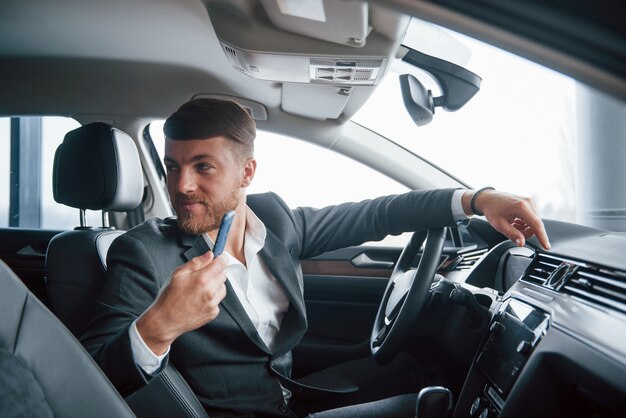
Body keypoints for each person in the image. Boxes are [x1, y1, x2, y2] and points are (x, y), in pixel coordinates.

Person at [80, 99, 551, 417]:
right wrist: (160, 325)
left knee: (416, 368)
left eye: (203, 166)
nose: (182, 186)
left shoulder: (276, 220)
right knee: (436, 407)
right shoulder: (143, 252)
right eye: (172, 166)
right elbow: (90, 377)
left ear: (246, 172)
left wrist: (478, 200)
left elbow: (375, 214)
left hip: (289, 396)